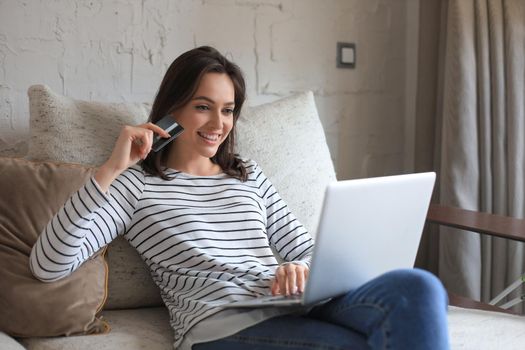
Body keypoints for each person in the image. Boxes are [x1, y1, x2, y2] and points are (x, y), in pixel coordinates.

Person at [30, 46, 450, 350]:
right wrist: (108, 171)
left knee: (418, 287)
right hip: (221, 327)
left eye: (228, 110)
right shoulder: (135, 185)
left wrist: (299, 269)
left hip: (293, 305)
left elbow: (304, 249)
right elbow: (48, 266)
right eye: (203, 107)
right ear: (171, 109)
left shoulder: (246, 173)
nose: (218, 123)